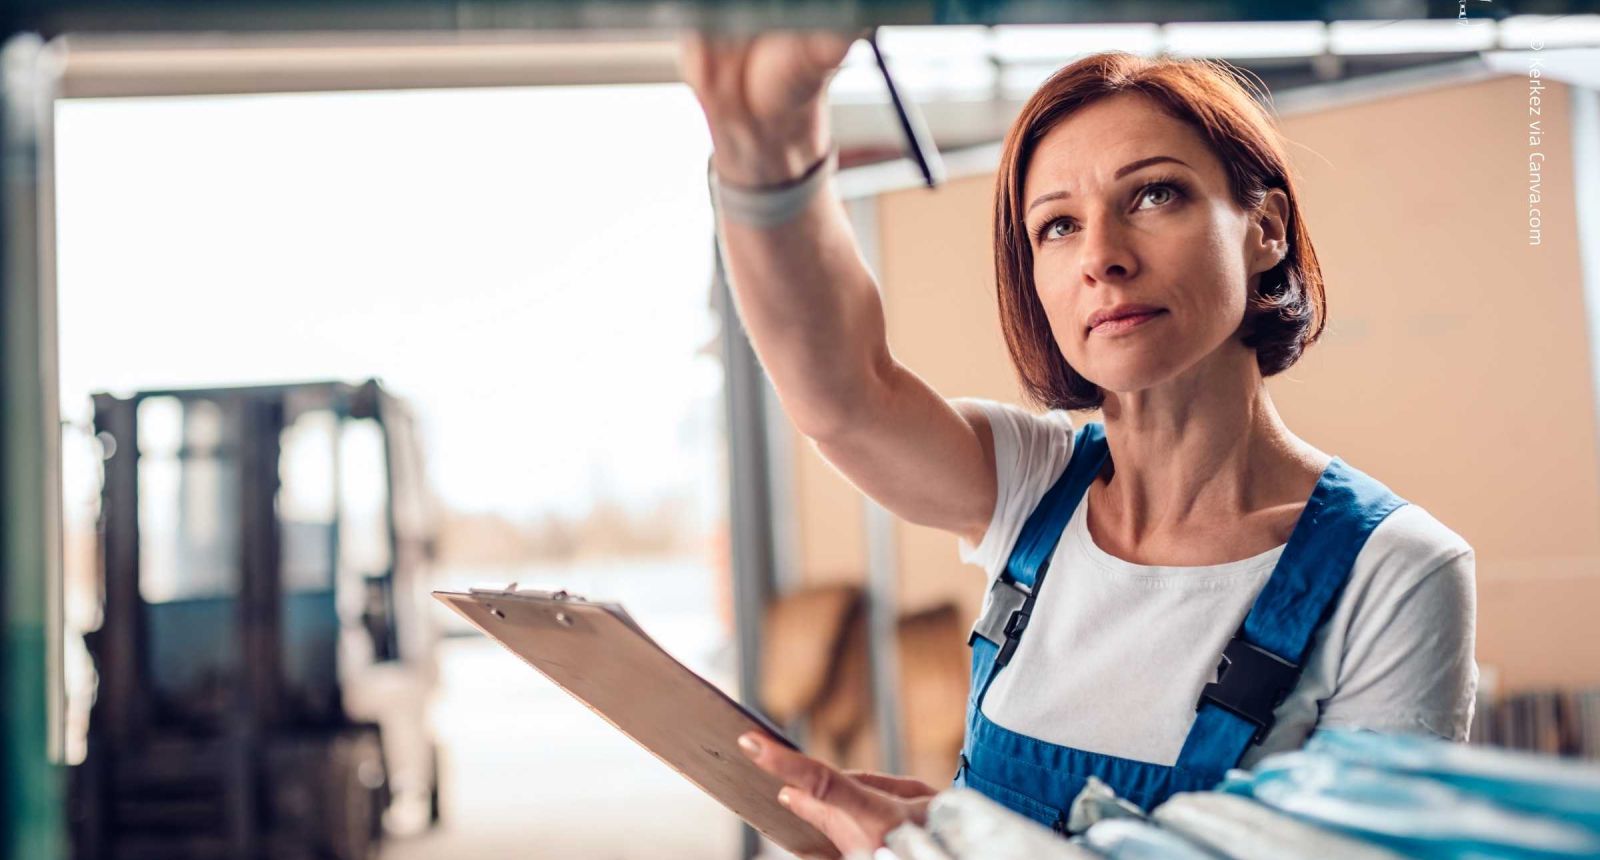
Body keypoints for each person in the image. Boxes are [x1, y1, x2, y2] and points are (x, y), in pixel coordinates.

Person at [680, 31, 1476, 858]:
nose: (1101, 257)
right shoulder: (1035, 491)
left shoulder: (1397, 571)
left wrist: (953, 846)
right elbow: (844, 396)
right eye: (1057, 226)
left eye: (1155, 195)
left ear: (1265, 227)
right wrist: (769, 146)